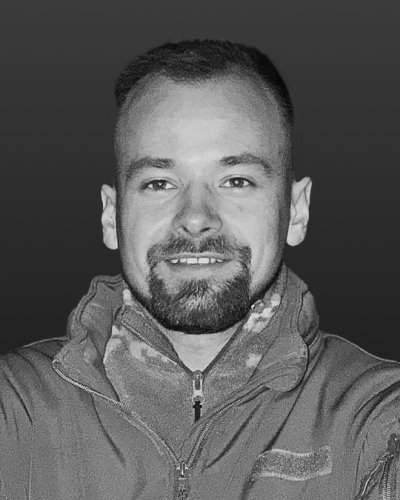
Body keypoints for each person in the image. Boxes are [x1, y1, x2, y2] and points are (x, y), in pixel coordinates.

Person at [0, 39, 399, 500]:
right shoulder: (15, 410)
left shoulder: (378, 420)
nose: (194, 217)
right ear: (111, 215)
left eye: (236, 180)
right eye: (159, 183)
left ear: (296, 209)